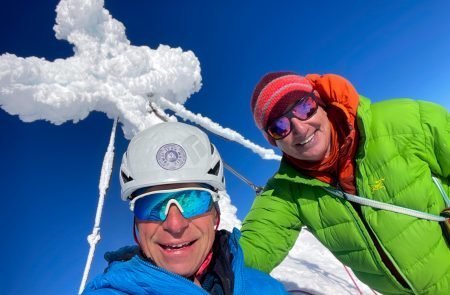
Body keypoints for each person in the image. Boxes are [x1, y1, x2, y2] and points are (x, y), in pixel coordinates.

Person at [240, 72, 450, 294]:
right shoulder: (287, 192)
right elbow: (252, 249)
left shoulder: (404, 122)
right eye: (280, 127)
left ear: (319, 102)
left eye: (304, 107)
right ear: (275, 141)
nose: (300, 129)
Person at [82, 122, 288, 295]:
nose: (175, 224)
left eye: (193, 201)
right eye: (151, 205)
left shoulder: (265, 288)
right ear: (137, 223)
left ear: (215, 214)